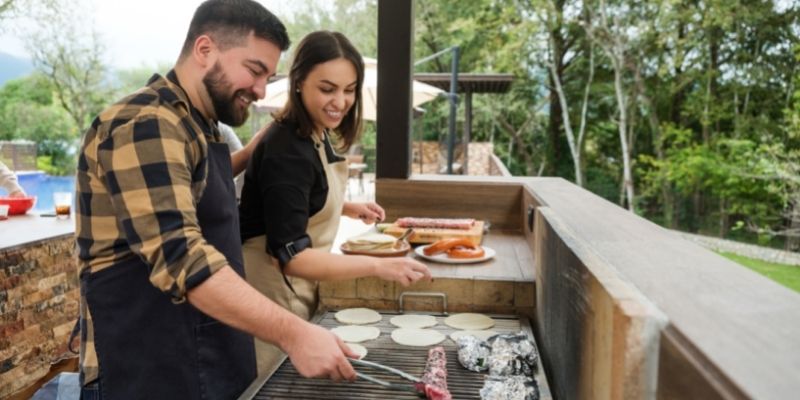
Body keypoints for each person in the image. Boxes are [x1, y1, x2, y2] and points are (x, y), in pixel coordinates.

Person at [75, 2, 357, 399]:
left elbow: (203, 188)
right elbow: (182, 257)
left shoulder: (200, 123)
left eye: (268, 77)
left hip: (203, 353)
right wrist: (295, 333)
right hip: (146, 366)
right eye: (255, 70)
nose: (261, 91)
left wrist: (250, 153)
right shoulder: (146, 124)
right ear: (205, 49)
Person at [238, 30, 432, 374]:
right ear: (298, 82)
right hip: (270, 293)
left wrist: (345, 207)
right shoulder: (287, 149)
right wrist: (378, 264)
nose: (340, 102)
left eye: (349, 89)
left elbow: (297, 196)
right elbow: (292, 258)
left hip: (293, 291)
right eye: (327, 89)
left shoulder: (315, 131)